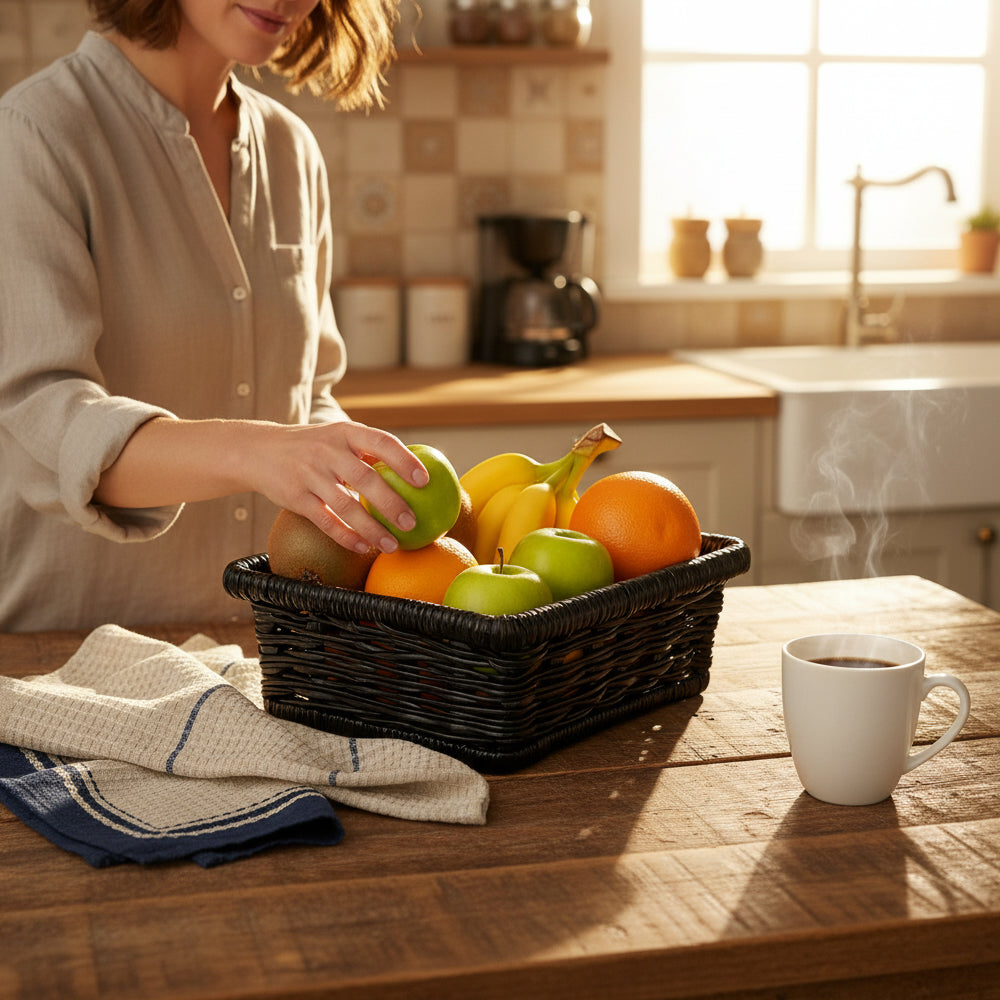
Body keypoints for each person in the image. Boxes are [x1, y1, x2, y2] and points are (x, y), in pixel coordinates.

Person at [0, 0, 428, 632]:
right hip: (68, 659)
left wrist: (361, 480)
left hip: (260, 656)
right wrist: (259, 451)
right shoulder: (34, 134)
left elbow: (306, 398)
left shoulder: (291, 150)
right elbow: (46, 414)